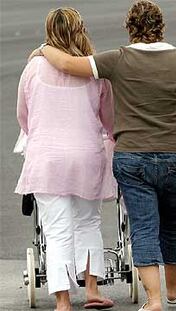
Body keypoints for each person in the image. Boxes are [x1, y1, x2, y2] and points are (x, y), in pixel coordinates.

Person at [32, 1, 176, 310]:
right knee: (174, 225)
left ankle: (153, 300)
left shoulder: (117, 59)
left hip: (132, 157)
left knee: (143, 227)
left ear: (130, 28)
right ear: (161, 26)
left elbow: (69, 65)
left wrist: (46, 48)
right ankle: (171, 288)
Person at [17, 8, 115, 311]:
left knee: (56, 230)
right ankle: (93, 290)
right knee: (88, 222)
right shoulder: (92, 71)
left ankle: (62, 301)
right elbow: (109, 119)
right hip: (86, 155)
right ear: (81, 30)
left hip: (46, 158)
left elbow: (24, 116)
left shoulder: (33, 68)